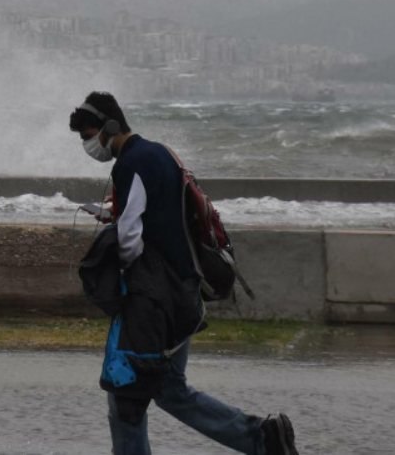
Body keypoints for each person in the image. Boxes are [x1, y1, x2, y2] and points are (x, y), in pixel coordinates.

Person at [69, 91, 300, 455]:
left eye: (88, 135)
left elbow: (131, 234)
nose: (88, 144)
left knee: (126, 393)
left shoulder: (132, 163)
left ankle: (261, 437)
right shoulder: (159, 153)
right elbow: (160, 214)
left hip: (157, 300)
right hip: (182, 291)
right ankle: (262, 438)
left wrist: (125, 270)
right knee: (167, 389)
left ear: (110, 126)